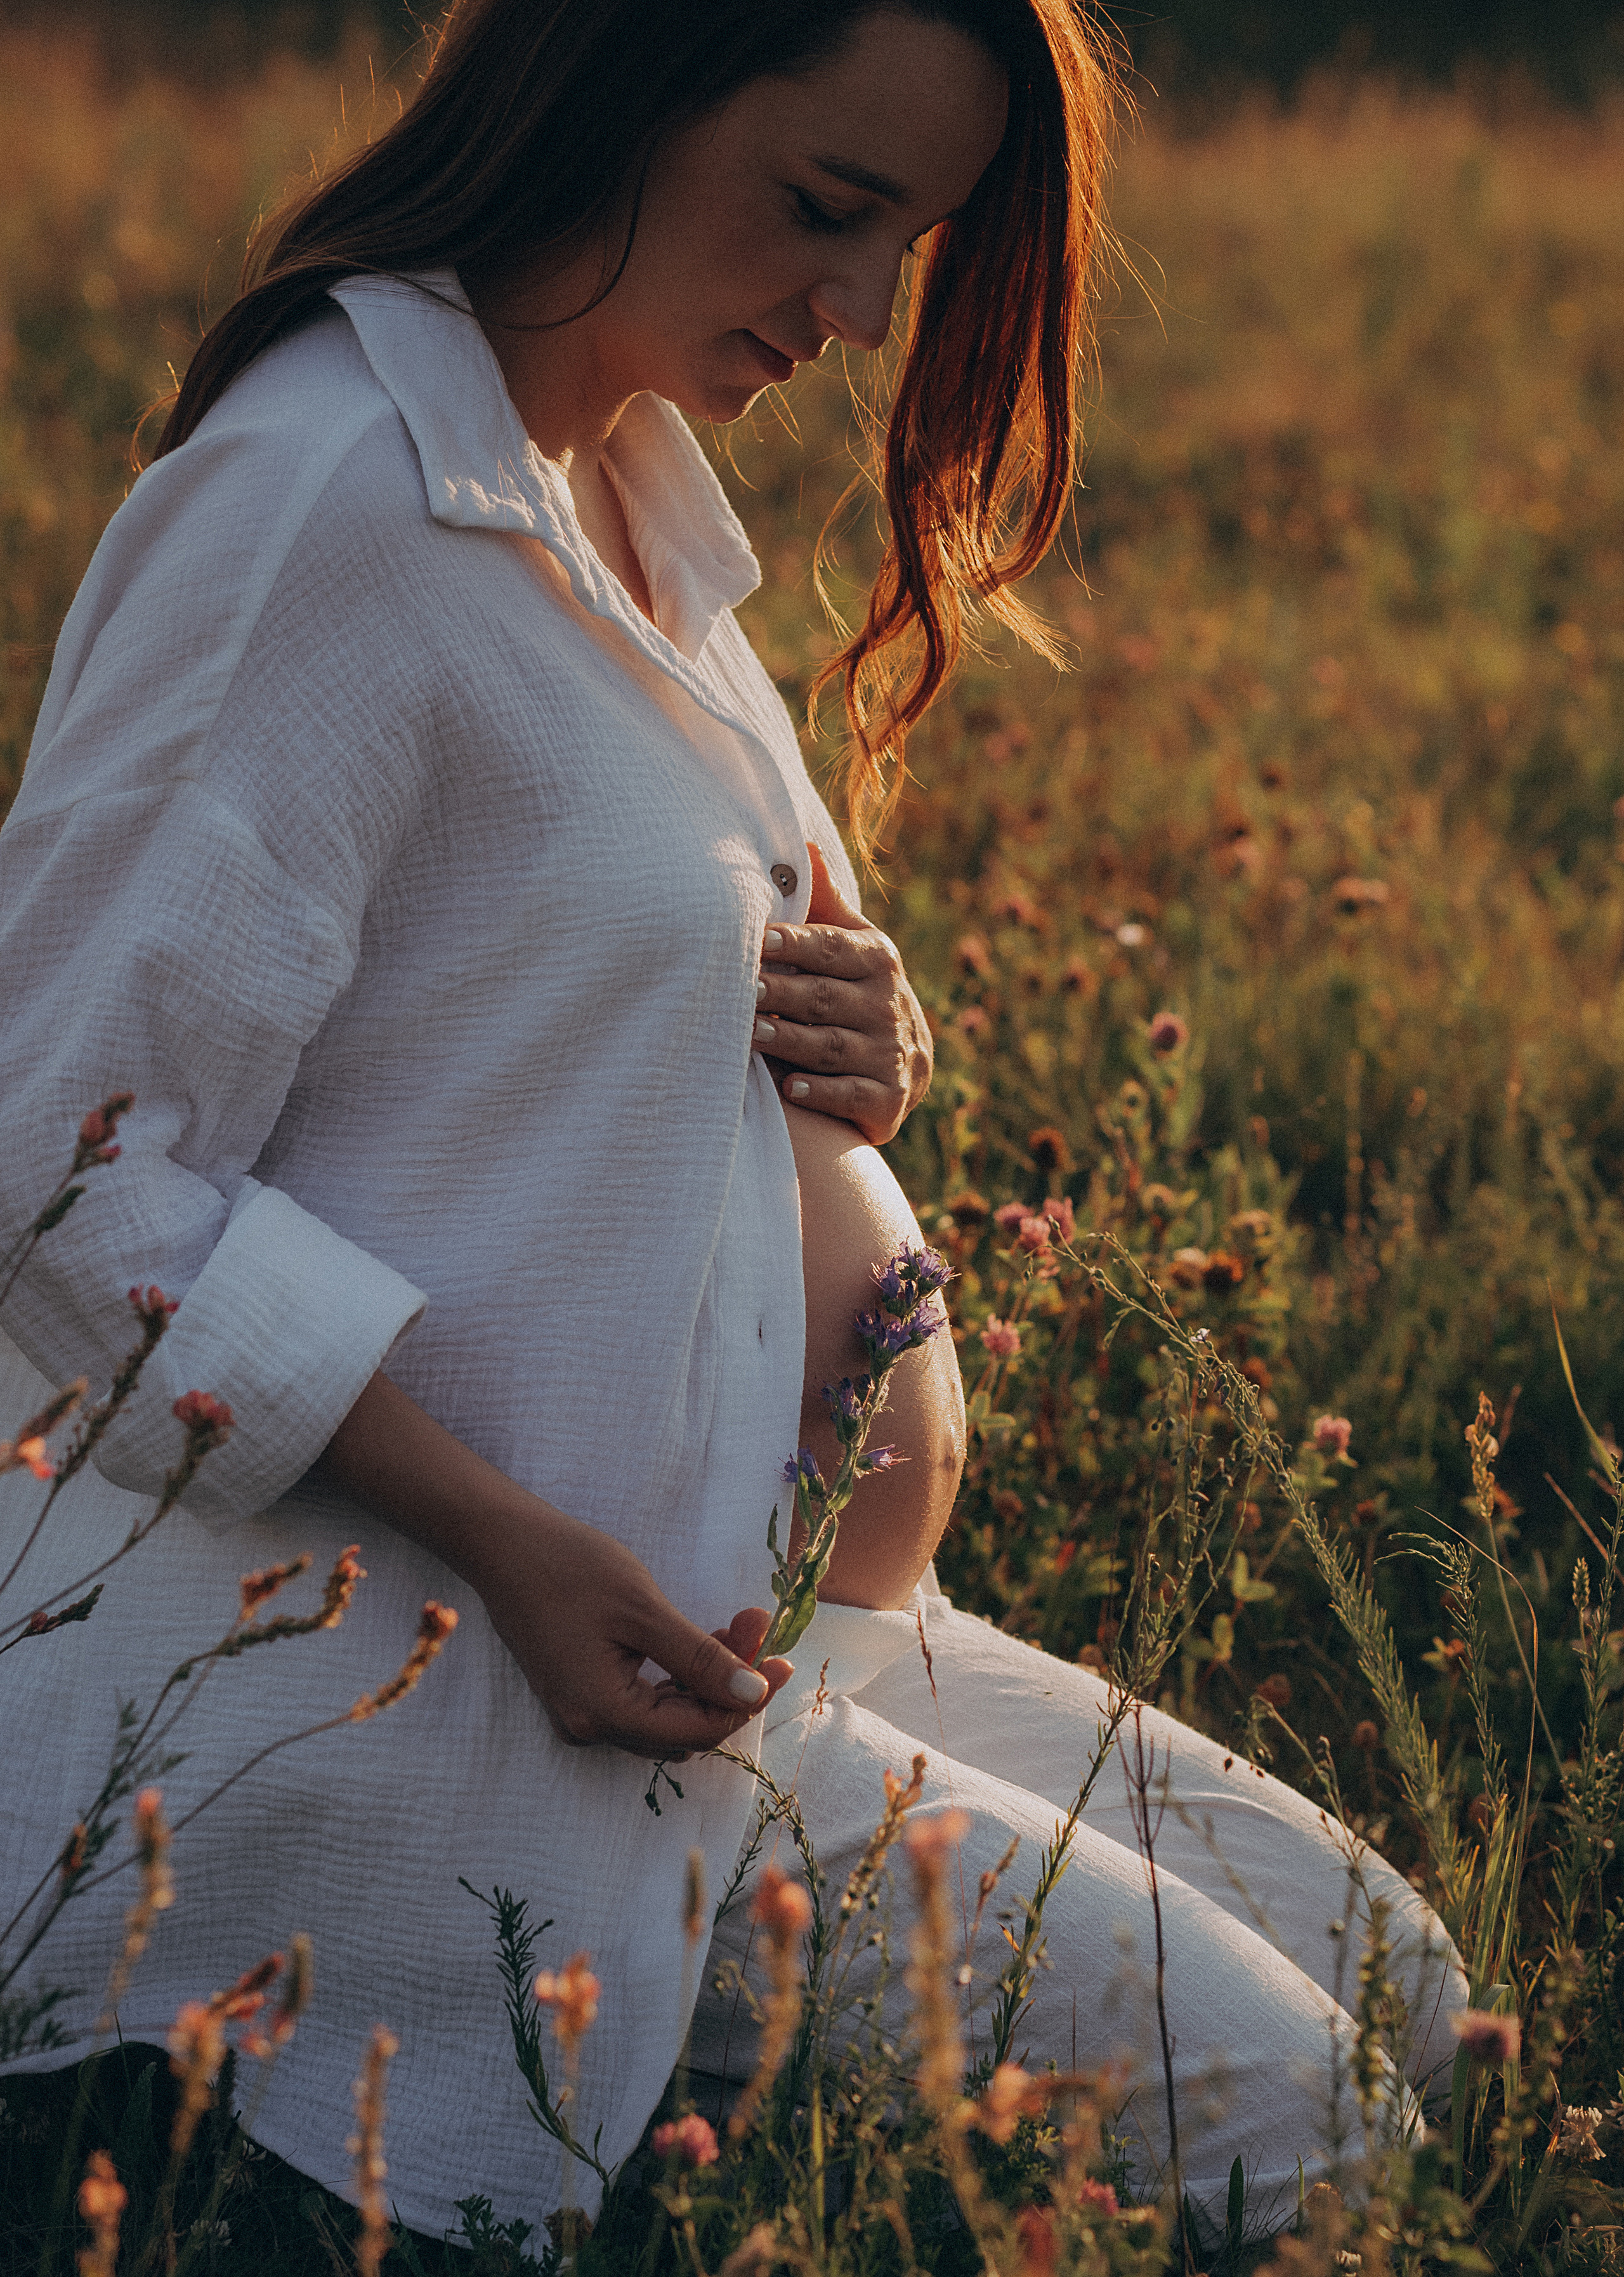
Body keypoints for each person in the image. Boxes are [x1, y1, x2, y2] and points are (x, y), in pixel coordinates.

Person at [0, 0, 1463, 2238]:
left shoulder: (625, 499)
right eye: (828, 208)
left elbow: (600, 994)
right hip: (493, 1664)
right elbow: (64, 1164)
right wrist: (503, 1535)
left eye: (916, 240)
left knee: (1413, 1983)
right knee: (1293, 2113)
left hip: (780, 1613)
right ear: (620, 82)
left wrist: (870, 1046)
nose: (864, 314)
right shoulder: (325, 504)